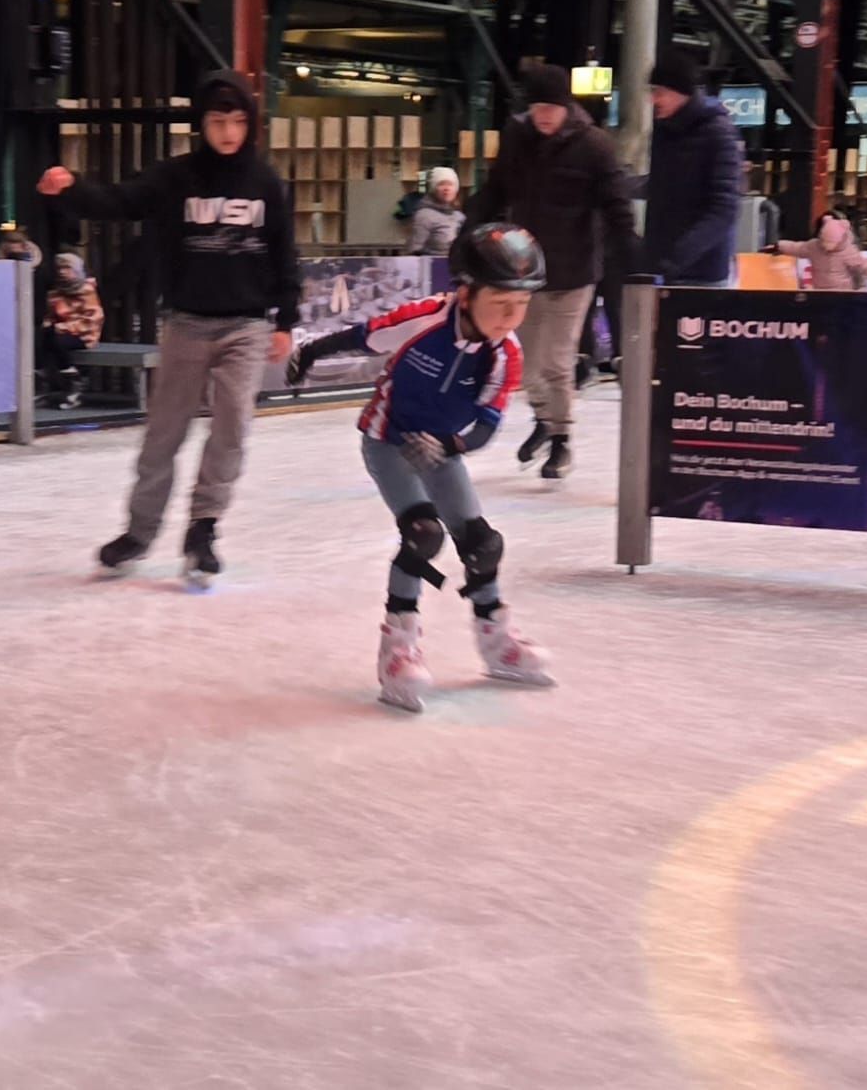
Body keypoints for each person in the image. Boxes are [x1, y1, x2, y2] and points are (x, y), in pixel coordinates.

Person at [37, 69, 300, 588]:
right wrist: (70, 191)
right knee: (164, 435)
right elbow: (120, 201)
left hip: (245, 327)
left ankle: (203, 530)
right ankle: (138, 532)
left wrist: (285, 320)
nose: (228, 131)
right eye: (218, 120)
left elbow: (283, 256)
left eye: (238, 121)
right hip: (186, 324)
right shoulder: (176, 178)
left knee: (231, 429)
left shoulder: (266, 184)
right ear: (202, 123)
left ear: (250, 125)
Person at [285, 224, 553, 713]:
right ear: (467, 293)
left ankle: (497, 644)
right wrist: (309, 353)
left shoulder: (505, 355)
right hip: (388, 443)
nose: (510, 319)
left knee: (482, 543)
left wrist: (450, 445)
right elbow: (363, 337)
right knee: (422, 534)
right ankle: (398, 650)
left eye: (522, 307)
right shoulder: (424, 321)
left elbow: (487, 427)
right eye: (501, 304)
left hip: (442, 450)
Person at [463, 63, 636, 482]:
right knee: (526, 363)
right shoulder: (518, 138)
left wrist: (631, 253)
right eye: (537, 106)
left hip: (575, 271)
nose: (543, 115)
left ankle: (561, 440)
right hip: (524, 271)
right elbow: (497, 189)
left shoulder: (595, 145)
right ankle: (544, 419)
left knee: (556, 361)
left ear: (566, 106)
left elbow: (616, 205)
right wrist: (468, 231)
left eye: (551, 107)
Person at [642, 50, 743, 288]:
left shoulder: (719, 132)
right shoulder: (665, 131)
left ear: (682, 92)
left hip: (703, 274)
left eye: (659, 92)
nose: (653, 100)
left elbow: (724, 209)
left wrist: (678, 256)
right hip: (663, 269)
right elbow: (661, 186)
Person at [38, 252, 104, 409]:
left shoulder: (86, 290)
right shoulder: (56, 293)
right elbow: (51, 315)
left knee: (54, 339)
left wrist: (66, 327)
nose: (62, 271)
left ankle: (73, 381)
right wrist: (49, 323)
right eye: (60, 268)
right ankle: (51, 380)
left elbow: (93, 318)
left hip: (83, 333)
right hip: (60, 332)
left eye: (67, 268)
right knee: (44, 336)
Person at [775, 209, 867, 290]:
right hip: (820, 291)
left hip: (842, 292)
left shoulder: (848, 250)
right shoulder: (814, 246)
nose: (827, 246)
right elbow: (796, 247)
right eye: (824, 242)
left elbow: (863, 265)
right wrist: (778, 246)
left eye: (830, 243)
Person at [406, 167, 464, 255]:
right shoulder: (424, 216)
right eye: (441, 184)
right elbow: (414, 250)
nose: (446, 188)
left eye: (450, 184)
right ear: (433, 189)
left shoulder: (460, 216)